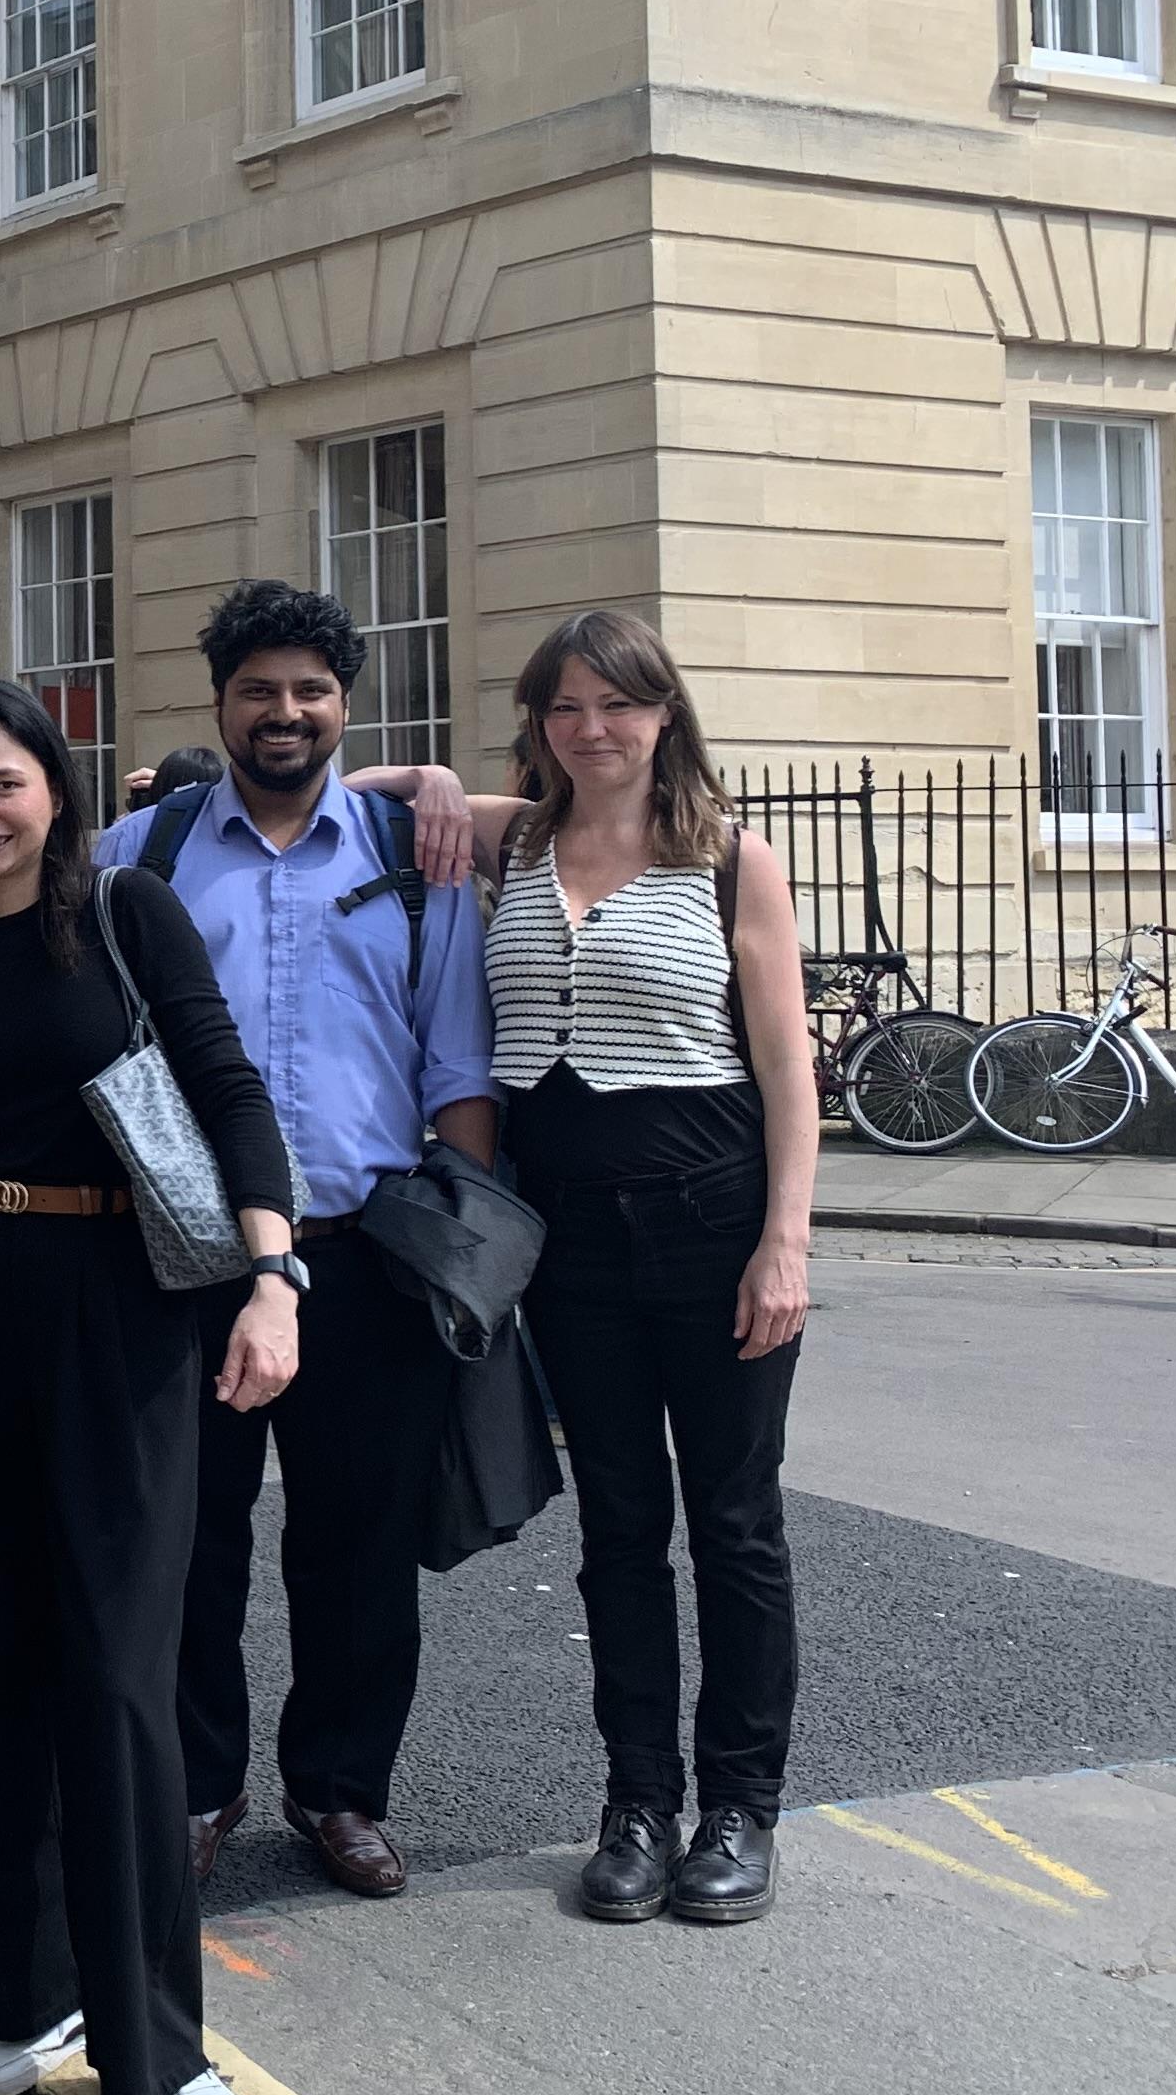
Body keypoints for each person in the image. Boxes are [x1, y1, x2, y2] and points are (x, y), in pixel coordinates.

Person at [0, 680, 298, 2095]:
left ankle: (156, 2049)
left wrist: (274, 1276)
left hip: (120, 1310)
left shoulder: (126, 912)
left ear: (53, 791)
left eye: (4, 784)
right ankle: (33, 1995)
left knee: (119, 1676)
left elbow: (228, 1086)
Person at [99, 581, 493, 1902]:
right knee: (189, 1541)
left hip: (368, 1254)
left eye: (310, 691)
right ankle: (201, 1784)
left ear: (344, 705)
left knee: (361, 1544)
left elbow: (458, 1068)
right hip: (188, 1260)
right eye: (260, 689)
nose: (285, 712)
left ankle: (340, 1788)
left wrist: (461, 1262)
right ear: (220, 702)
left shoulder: (407, 853)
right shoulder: (138, 856)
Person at [453, 611, 817, 1927]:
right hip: (571, 1239)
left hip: (713, 1222)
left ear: (667, 716)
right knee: (617, 1529)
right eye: (564, 706)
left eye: (617, 704)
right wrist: (436, 782)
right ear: (540, 723)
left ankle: (739, 1809)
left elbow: (788, 1070)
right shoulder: (520, 842)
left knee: (734, 1524)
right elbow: (387, 792)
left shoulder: (730, 863)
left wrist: (786, 1243)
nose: (590, 728)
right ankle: (637, 1803)